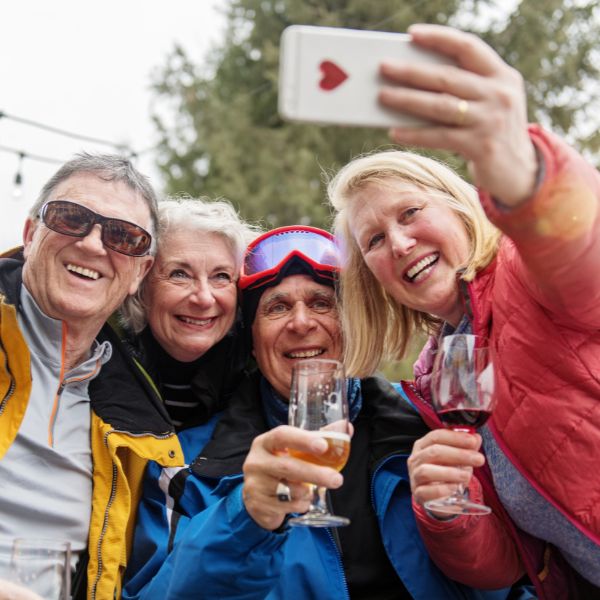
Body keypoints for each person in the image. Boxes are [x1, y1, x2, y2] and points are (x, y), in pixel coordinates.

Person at [327, 24, 600, 599]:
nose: (398, 244)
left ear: (462, 208)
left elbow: (579, 247)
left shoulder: (530, 274)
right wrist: (446, 510)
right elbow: (505, 565)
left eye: (409, 213)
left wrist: (524, 172)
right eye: (374, 240)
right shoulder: (436, 373)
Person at [122, 225, 524, 600]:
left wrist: (453, 522)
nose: (301, 323)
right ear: (251, 338)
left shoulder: (427, 430)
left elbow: (519, 580)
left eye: (321, 303)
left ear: (353, 323)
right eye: (277, 308)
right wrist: (245, 517)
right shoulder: (186, 465)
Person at [0, 154, 184, 600]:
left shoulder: (144, 428)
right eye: (71, 218)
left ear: (140, 272)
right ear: (29, 235)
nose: (94, 245)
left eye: (124, 236)